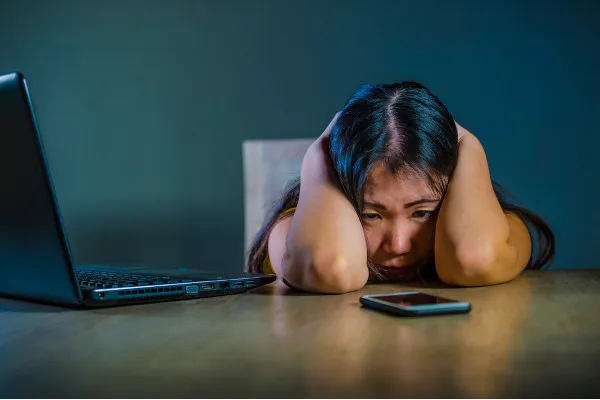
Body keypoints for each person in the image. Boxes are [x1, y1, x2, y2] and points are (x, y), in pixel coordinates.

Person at [247, 82, 555, 293]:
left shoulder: (498, 230)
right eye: (371, 215)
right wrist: (319, 155)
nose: (397, 245)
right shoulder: (294, 233)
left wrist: (469, 146)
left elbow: (474, 258)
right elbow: (332, 268)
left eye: (422, 212)